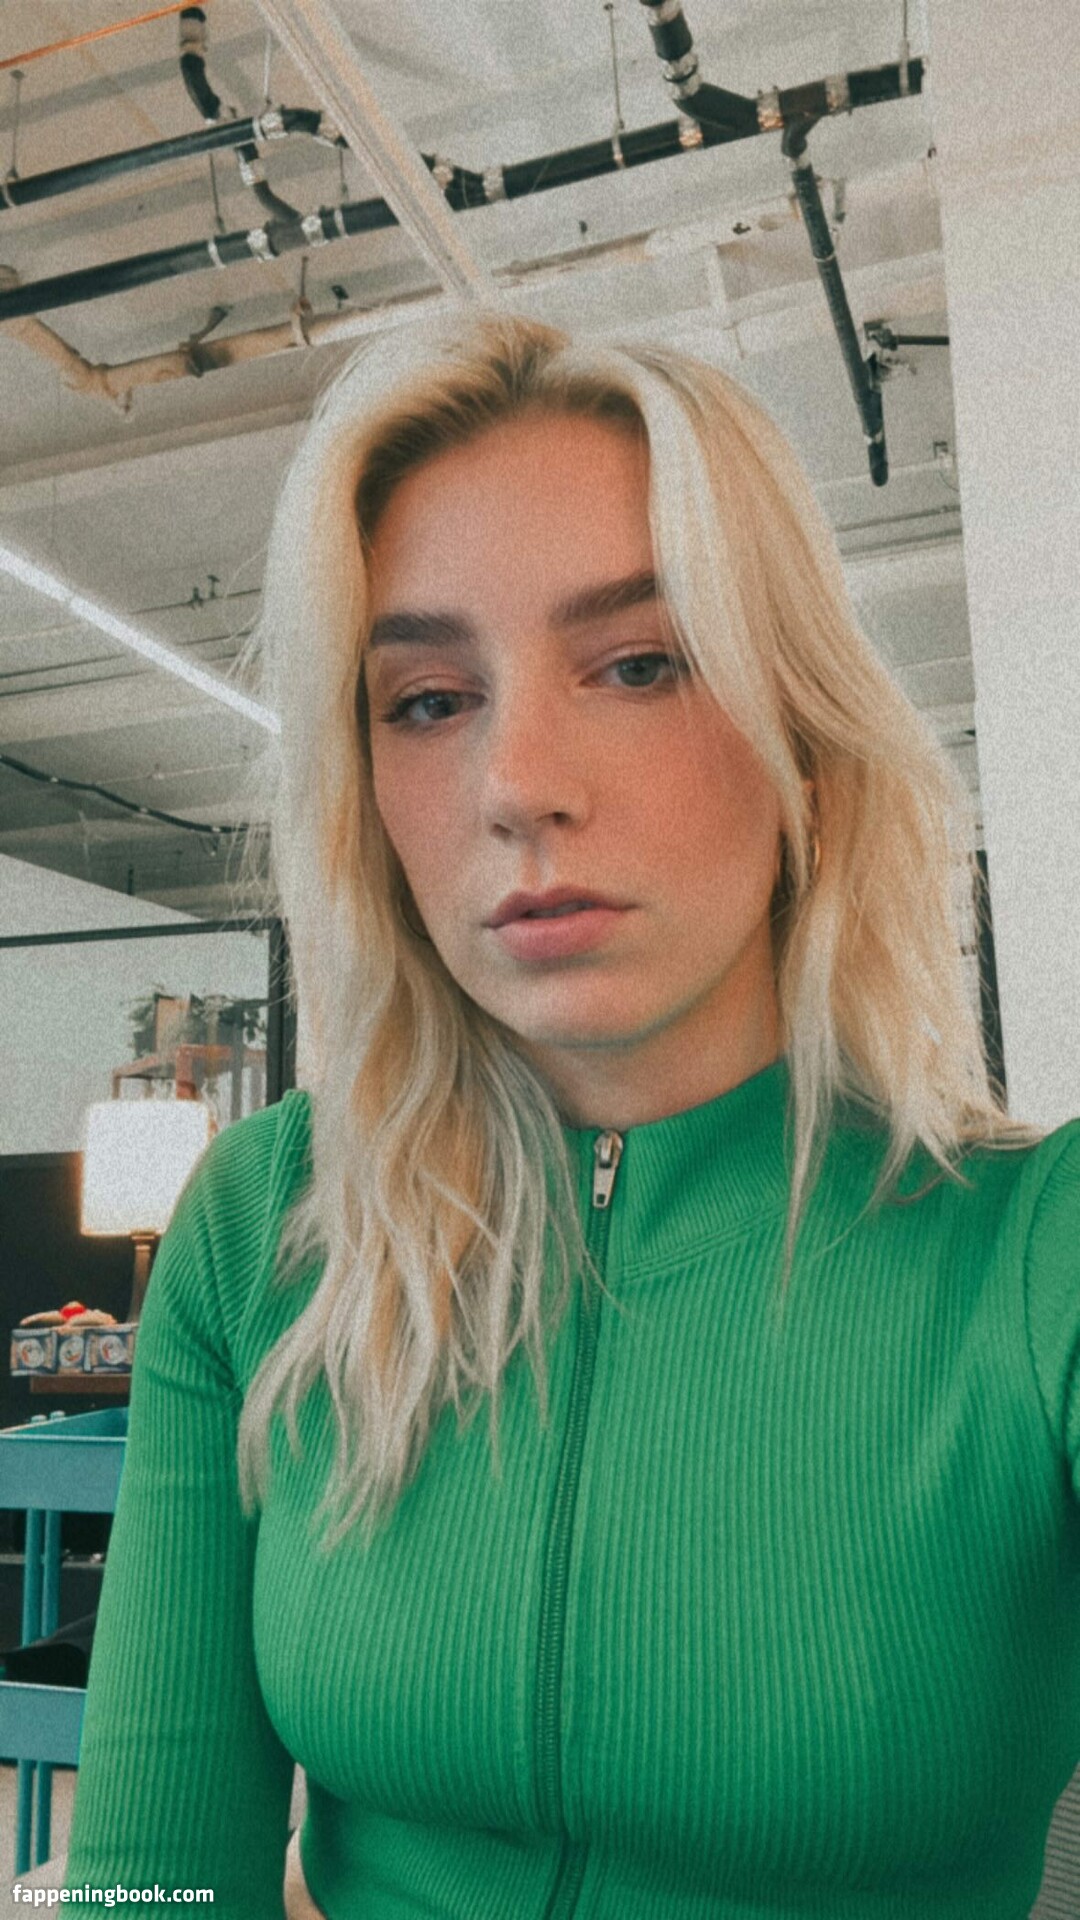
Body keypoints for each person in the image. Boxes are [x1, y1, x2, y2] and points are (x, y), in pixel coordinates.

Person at [61, 311, 1080, 1919]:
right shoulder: (268, 1225)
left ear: (803, 731)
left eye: (639, 664)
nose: (516, 781)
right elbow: (150, 1892)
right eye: (427, 698)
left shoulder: (1036, 1264)